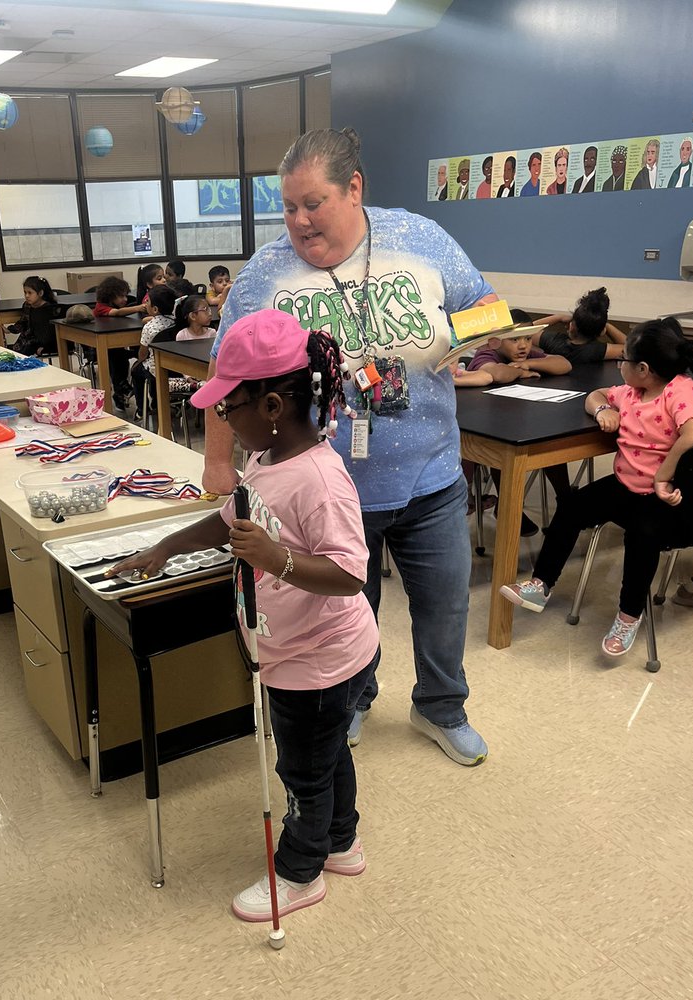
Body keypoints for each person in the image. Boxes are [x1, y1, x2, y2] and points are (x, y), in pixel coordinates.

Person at [203, 127, 498, 766]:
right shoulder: (265, 273)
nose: (300, 221)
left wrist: (462, 338)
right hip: (328, 494)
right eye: (288, 206)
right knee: (343, 613)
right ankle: (356, 697)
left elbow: (487, 308)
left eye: (314, 203)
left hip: (431, 476)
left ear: (354, 188)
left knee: (445, 606)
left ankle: (441, 707)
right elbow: (225, 368)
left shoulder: (420, 239)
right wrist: (218, 460)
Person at [107, 310, 379, 921]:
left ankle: (300, 872)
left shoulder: (319, 479)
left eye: (230, 408)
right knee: (328, 755)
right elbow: (233, 515)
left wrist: (278, 559)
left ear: (275, 406)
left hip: (321, 660)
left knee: (301, 772)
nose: (223, 419)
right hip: (294, 651)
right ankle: (341, 842)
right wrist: (165, 547)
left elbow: (351, 573)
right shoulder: (266, 461)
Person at [501, 318, 693, 657]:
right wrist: (602, 409)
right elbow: (596, 394)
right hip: (626, 485)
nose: (618, 363)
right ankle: (541, 585)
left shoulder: (680, 390)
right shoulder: (630, 391)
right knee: (571, 506)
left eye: (624, 359)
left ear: (643, 368)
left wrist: (663, 476)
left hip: (663, 496)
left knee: (642, 538)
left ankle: (629, 616)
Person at [466, 315, 572, 536]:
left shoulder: (525, 354)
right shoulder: (488, 352)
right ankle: (507, 506)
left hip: (522, 420)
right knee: (503, 446)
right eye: (514, 340)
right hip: (481, 427)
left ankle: (566, 499)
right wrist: (521, 372)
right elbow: (496, 373)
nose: (523, 345)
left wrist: (528, 363)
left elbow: (564, 364)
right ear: (497, 340)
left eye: (527, 339)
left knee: (549, 437)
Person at [93, 276, 145, 411]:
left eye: (125, 296)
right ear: (110, 296)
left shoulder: (114, 306)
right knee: (117, 360)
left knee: (122, 360)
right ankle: (121, 388)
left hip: (116, 345)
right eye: (121, 296)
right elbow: (116, 313)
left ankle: (121, 390)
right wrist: (138, 308)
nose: (125, 300)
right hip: (101, 346)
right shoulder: (101, 307)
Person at [535, 287, 626, 364]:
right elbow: (631, 348)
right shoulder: (599, 351)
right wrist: (605, 325)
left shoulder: (555, 342)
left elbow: (524, 330)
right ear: (602, 331)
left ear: (571, 326)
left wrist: (558, 317)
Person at [131, 283, 176, 404]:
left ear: (155, 309)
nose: (145, 304)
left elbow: (143, 354)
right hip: (176, 367)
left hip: (155, 368)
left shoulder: (150, 327)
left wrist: (139, 361)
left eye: (148, 302)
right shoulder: (177, 322)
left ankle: (141, 408)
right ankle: (156, 400)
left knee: (135, 370)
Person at [5, 277, 58, 358]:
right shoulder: (27, 305)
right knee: (14, 353)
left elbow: (51, 333)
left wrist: (46, 348)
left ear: (40, 293)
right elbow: (23, 322)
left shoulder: (49, 309)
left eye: (30, 293)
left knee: (22, 353)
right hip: (29, 338)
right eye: (25, 292)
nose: (27, 296)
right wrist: (10, 329)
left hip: (42, 341)